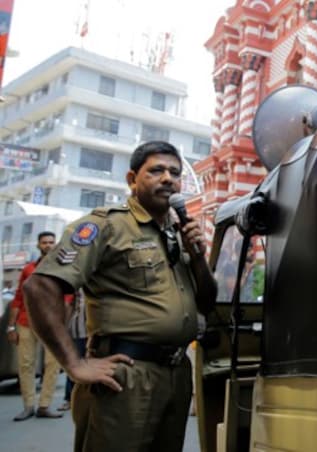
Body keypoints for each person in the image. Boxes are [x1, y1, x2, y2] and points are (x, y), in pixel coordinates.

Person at [22, 141, 217, 452]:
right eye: (156, 170)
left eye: (175, 173)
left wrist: (197, 257)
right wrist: (74, 364)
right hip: (126, 376)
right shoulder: (107, 224)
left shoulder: (176, 232)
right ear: (132, 179)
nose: (168, 178)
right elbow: (40, 287)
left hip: (175, 375)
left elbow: (206, 303)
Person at [6, 231, 65, 421]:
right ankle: (28, 406)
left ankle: (44, 406)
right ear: (38, 245)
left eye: (51, 242)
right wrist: (10, 326)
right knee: (26, 364)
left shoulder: (62, 269)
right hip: (26, 321)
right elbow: (18, 297)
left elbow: (68, 298)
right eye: (44, 242)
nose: (48, 245)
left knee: (53, 364)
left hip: (51, 324)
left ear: (55, 245)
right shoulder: (28, 269)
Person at [59, 289, 87, 412]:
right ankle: (69, 399)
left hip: (95, 330)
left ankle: (86, 399)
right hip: (78, 330)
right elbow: (68, 304)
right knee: (75, 363)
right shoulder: (77, 285)